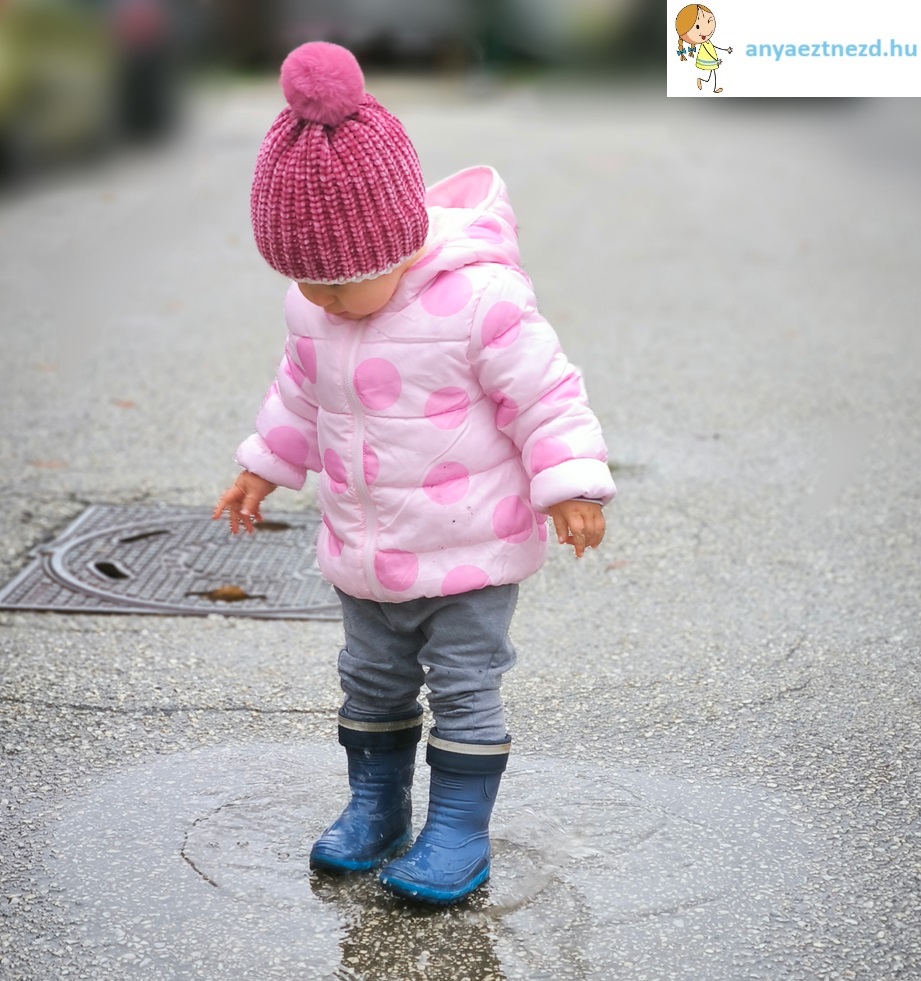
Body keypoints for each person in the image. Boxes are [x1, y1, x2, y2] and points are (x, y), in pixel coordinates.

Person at [213, 41, 616, 905]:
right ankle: (377, 805)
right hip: (367, 551)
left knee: (464, 688)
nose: (321, 299)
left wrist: (573, 483)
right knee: (369, 680)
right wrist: (263, 466)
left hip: (470, 552)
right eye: (304, 280)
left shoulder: (480, 301)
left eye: (340, 282)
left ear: (397, 245)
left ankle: (457, 828)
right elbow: (298, 393)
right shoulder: (314, 311)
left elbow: (545, 394)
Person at [675, 4, 732, 93]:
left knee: (711, 74)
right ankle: (709, 85)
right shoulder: (704, 44)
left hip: (711, 60)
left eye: (709, 22)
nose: (706, 30)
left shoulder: (707, 42)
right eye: (697, 27)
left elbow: (714, 47)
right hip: (707, 60)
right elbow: (708, 52)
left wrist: (725, 50)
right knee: (711, 73)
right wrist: (715, 61)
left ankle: (706, 83)